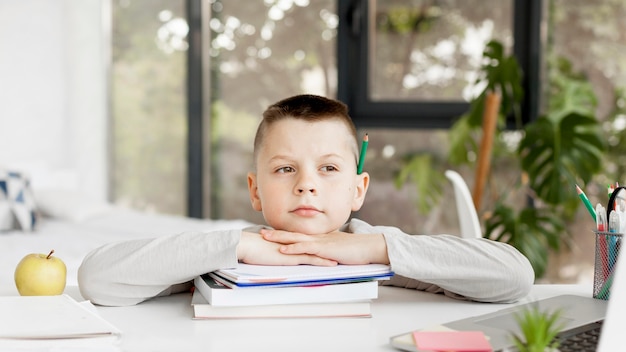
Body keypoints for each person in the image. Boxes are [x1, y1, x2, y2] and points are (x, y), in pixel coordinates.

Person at [78, 94, 534, 307]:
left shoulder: (378, 250)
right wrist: (238, 246)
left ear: (359, 190)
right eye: (284, 169)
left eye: (329, 168)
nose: (306, 185)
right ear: (256, 190)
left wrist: (373, 249)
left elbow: (513, 277)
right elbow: (98, 280)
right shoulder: (227, 256)